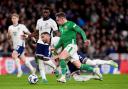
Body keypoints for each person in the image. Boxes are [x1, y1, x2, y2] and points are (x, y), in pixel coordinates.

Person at [41, 13, 102, 82]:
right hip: (67, 48)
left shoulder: (71, 24)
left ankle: (63, 77)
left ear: (62, 18)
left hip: (72, 45)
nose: (57, 22)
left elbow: (80, 30)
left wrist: (85, 39)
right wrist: (55, 48)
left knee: (61, 57)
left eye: (58, 20)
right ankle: (95, 70)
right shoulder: (60, 27)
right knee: (79, 66)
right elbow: (62, 40)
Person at [41, 32, 118, 82]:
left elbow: (66, 46)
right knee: (77, 77)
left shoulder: (56, 39)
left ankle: (108, 62)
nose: (42, 39)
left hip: (73, 53)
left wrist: (58, 58)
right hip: (68, 59)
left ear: (48, 36)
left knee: (91, 62)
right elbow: (58, 59)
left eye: (43, 37)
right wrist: (55, 68)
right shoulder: (50, 47)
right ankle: (94, 74)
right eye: (41, 38)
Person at [8, 13, 36, 77]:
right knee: (23, 58)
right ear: (11, 19)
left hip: (20, 44)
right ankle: (32, 69)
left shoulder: (21, 26)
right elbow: (8, 37)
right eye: (12, 18)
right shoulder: (10, 27)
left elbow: (28, 33)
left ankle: (20, 71)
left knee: (14, 55)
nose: (14, 19)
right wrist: (9, 35)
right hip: (15, 46)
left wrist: (33, 39)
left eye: (15, 18)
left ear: (18, 19)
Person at [35, 7, 59, 83]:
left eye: (47, 12)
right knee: (40, 61)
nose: (45, 13)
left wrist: (56, 43)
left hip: (47, 44)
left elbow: (56, 32)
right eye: (44, 12)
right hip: (39, 43)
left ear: (49, 13)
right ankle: (44, 79)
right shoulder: (39, 21)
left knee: (45, 60)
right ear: (42, 12)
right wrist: (33, 38)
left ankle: (54, 67)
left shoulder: (52, 22)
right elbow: (36, 32)